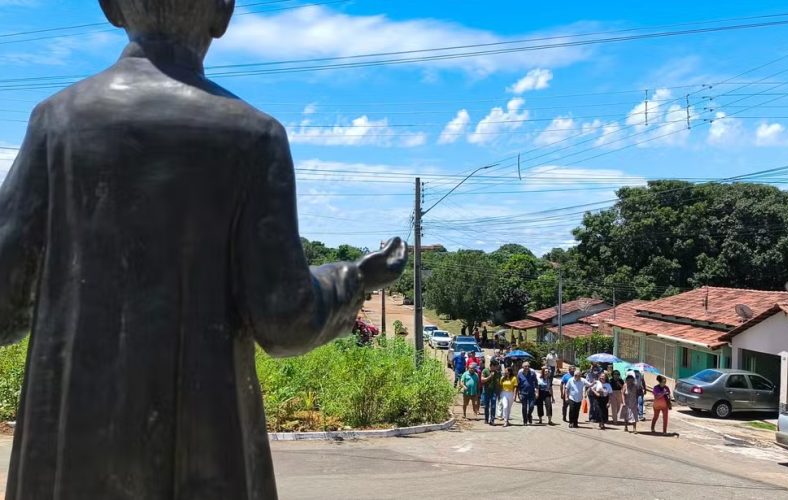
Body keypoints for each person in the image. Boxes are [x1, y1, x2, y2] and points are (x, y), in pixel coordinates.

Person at [0, 1, 409, 497]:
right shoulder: (254, 138)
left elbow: (4, 306)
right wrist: (355, 277)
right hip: (205, 461)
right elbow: (285, 319)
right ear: (223, 14)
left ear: (110, 8)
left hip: (68, 462)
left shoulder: (55, 124)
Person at [517, 362, 538, 426]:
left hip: (531, 393)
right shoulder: (520, 374)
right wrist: (519, 394)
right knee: (524, 407)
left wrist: (537, 392)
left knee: (531, 406)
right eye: (526, 366)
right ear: (523, 367)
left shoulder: (532, 374)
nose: (527, 367)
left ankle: (529, 415)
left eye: (528, 366)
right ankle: (525, 421)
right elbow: (518, 385)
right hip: (523, 393)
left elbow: (536, 383)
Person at [481, 360, 501, 425]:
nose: (497, 368)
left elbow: (498, 383)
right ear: (492, 366)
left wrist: (498, 392)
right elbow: (482, 380)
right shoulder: (485, 371)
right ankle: (486, 419)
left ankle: (492, 420)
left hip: (494, 392)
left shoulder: (497, 372)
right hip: (486, 391)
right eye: (496, 366)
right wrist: (490, 377)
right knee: (486, 406)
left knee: (493, 406)